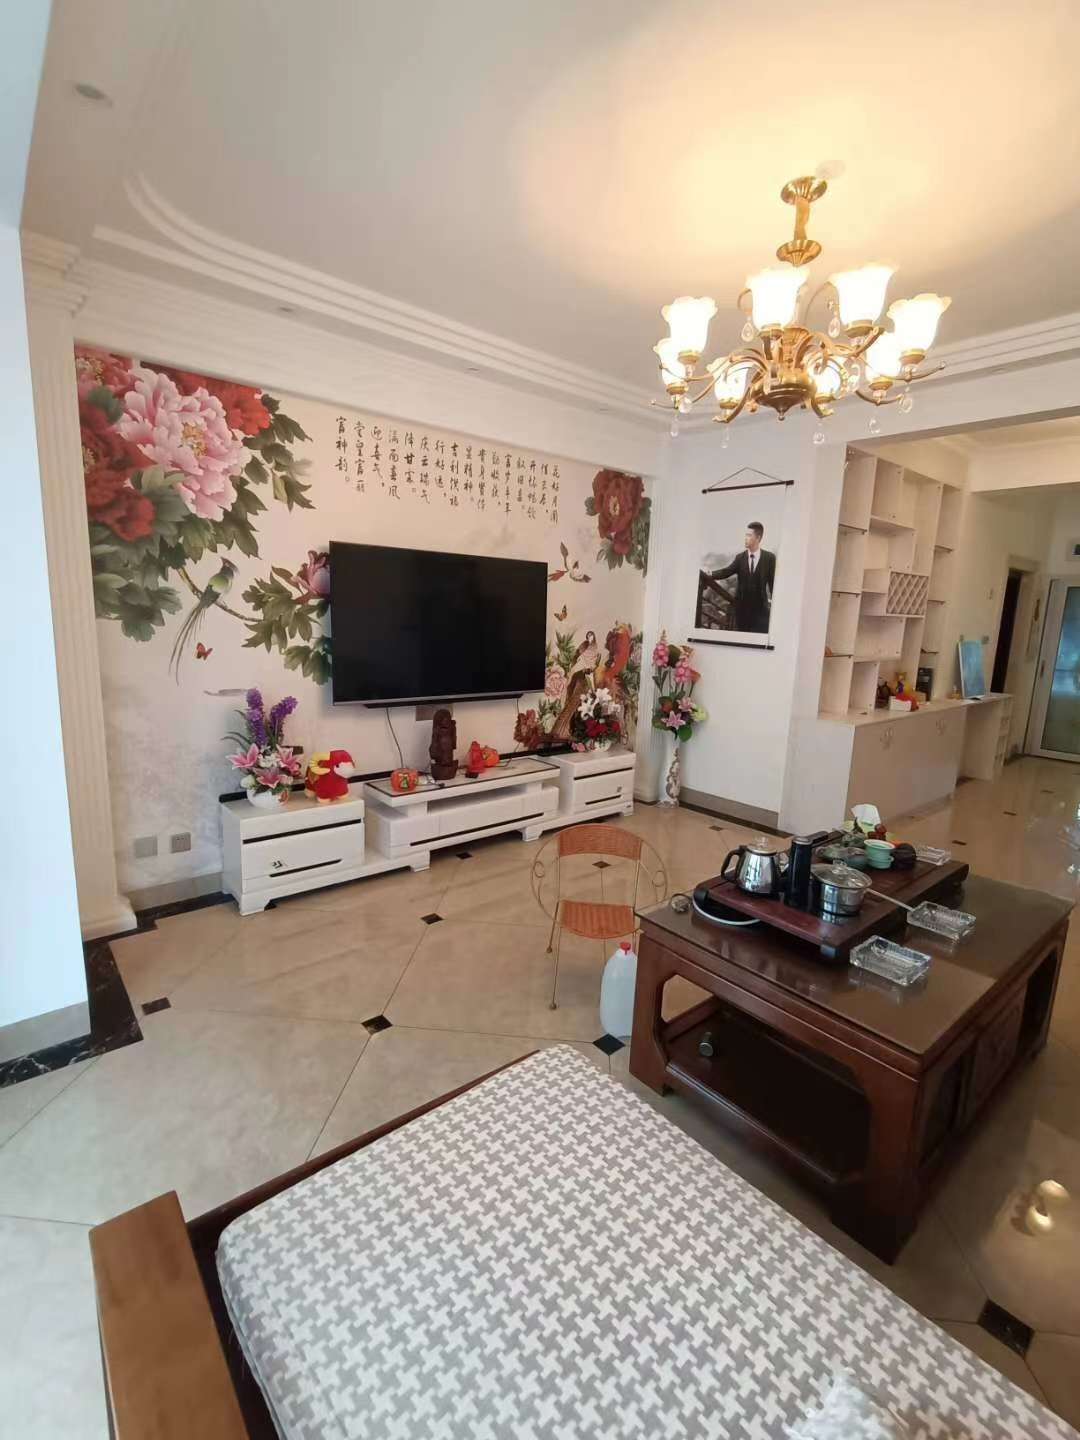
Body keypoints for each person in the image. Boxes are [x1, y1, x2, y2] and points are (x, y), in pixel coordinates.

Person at [706, 521, 775, 633]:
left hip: (761, 612)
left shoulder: (769, 558)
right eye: (745, 535)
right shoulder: (740, 558)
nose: (745, 538)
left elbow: (773, 585)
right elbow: (727, 571)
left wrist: (775, 608)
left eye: (749, 535)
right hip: (742, 611)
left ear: (758, 538)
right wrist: (711, 574)